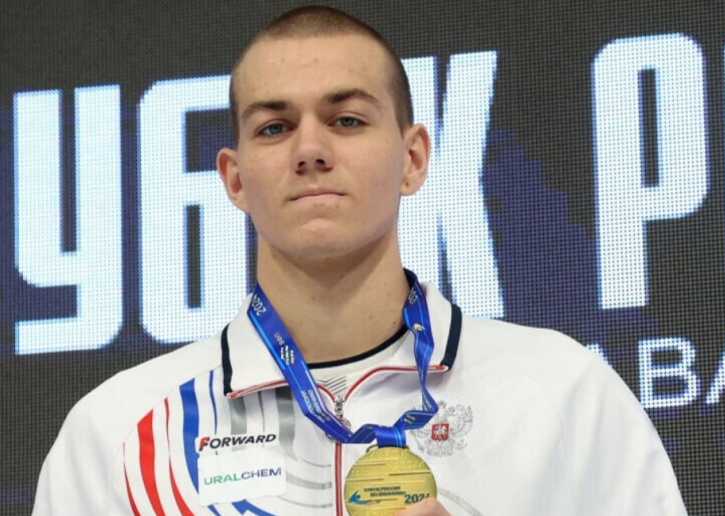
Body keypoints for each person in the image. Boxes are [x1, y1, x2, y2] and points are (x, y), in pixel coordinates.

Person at [33, 5, 686, 515]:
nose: (310, 150)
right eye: (274, 127)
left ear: (413, 158)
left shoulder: (562, 396)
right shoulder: (117, 434)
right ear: (234, 179)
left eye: (346, 120)